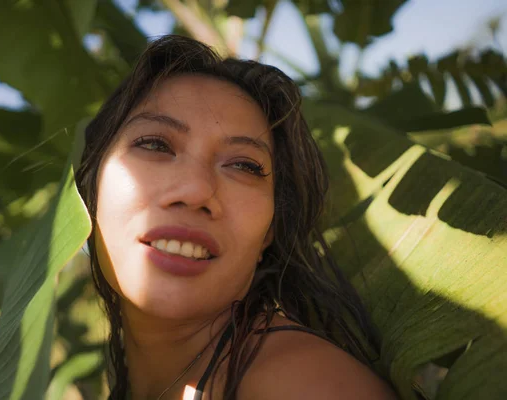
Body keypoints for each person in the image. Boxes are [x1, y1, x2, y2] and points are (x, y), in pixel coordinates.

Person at [75, 35, 397, 400]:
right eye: (155, 144)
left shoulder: (304, 384)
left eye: (244, 165)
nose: (196, 191)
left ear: (269, 233)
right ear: (89, 187)